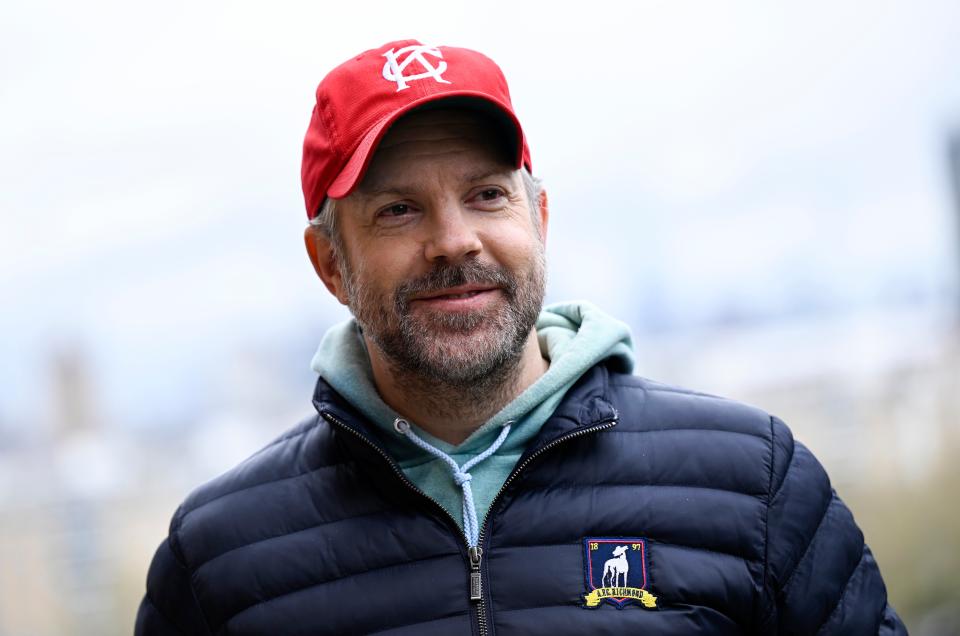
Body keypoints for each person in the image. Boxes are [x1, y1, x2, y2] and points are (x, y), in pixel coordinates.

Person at [135, 39, 907, 635]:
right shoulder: (220, 563)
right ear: (329, 262)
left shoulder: (754, 485)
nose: (454, 240)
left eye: (487, 194)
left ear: (538, 219)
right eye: (399, 210)